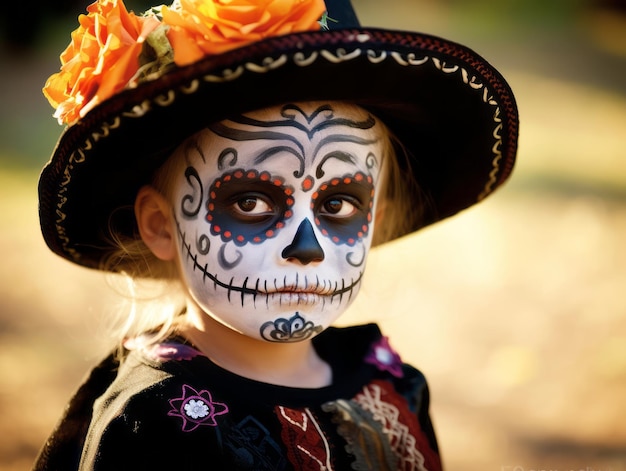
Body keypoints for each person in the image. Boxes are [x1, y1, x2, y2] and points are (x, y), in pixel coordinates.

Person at [34, 0, 518, 469]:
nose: (306, 247)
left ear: (373, 221)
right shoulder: (151, 423)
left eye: (339, 204)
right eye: (250, 203)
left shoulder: (393, 387)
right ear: (161, 225)